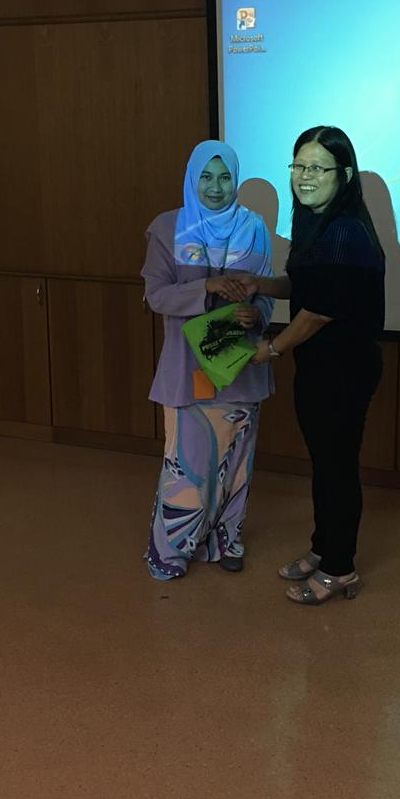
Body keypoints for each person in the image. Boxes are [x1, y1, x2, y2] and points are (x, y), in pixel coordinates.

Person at [247, 126, 385, 605]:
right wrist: (260, 285)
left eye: (317, 168)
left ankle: (340, 569)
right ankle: (323, 549)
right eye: (299, 166)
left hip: (344, 369)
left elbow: (318, 311)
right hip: (320, 366)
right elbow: (303, 285)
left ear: (343, 174)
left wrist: (271, 349)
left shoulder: (345, 231)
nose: (304, 176)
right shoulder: (316, 223)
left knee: (337, 467)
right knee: (325, 465)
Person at [141, 140, 274, 580]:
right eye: (206, 177)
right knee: (187, 465)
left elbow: (266, 292)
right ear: (191, 178)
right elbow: (157, 295)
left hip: (239, 369)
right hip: (188, 370)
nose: (215, 187)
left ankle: (227, 540)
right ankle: (173, 549)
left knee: (236, 463)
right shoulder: (168, 228)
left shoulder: (254, 227)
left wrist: (257, 313)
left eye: (225, 177)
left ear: (235, 181)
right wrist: (208, 288)